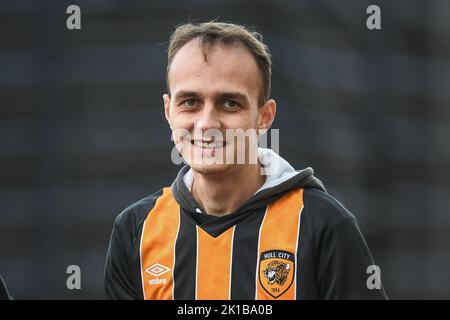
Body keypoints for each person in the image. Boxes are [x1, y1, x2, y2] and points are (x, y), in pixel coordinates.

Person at [104, 21, 387, 300]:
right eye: (190, 102)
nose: (207, 123)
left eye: (230, 103)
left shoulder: (323, 225)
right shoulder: (135, 231)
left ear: (264, 117)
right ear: (168, 111)